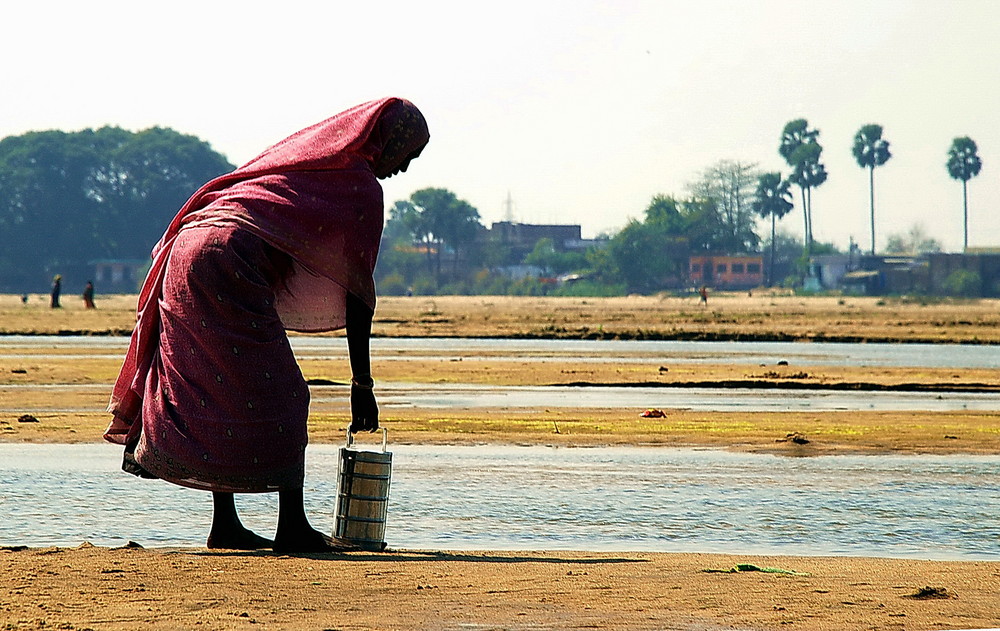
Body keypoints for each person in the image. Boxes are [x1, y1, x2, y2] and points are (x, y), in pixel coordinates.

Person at [103, 97, 429, 552]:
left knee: (218, 385)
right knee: (286, 395)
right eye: (408, 155)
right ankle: (291, 526)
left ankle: (226, 525)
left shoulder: (310, 165)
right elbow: (358, 292)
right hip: (226, 258)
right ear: (390, 140)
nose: (404, 168)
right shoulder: (357, 186)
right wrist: (362, 381)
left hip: (189, 250)